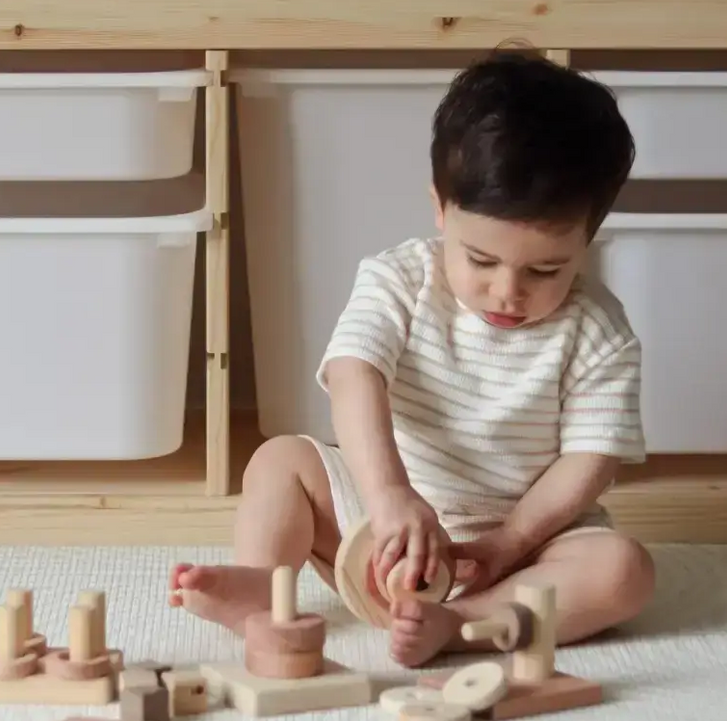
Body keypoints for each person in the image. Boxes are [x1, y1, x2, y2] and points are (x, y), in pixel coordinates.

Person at [169, 47, 656, 667]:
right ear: (439, 208)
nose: (507, 290)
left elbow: (592, 458)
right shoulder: (401, 278)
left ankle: (460, 623)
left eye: (545, 269)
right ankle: (266, 587)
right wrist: (389, 495)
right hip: (379, 520)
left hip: (519, 543)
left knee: (622, 571)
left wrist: (512, 541)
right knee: (279, 461)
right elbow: (354, 374)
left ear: (588, 237)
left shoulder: (599, 331)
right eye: (480, 259)